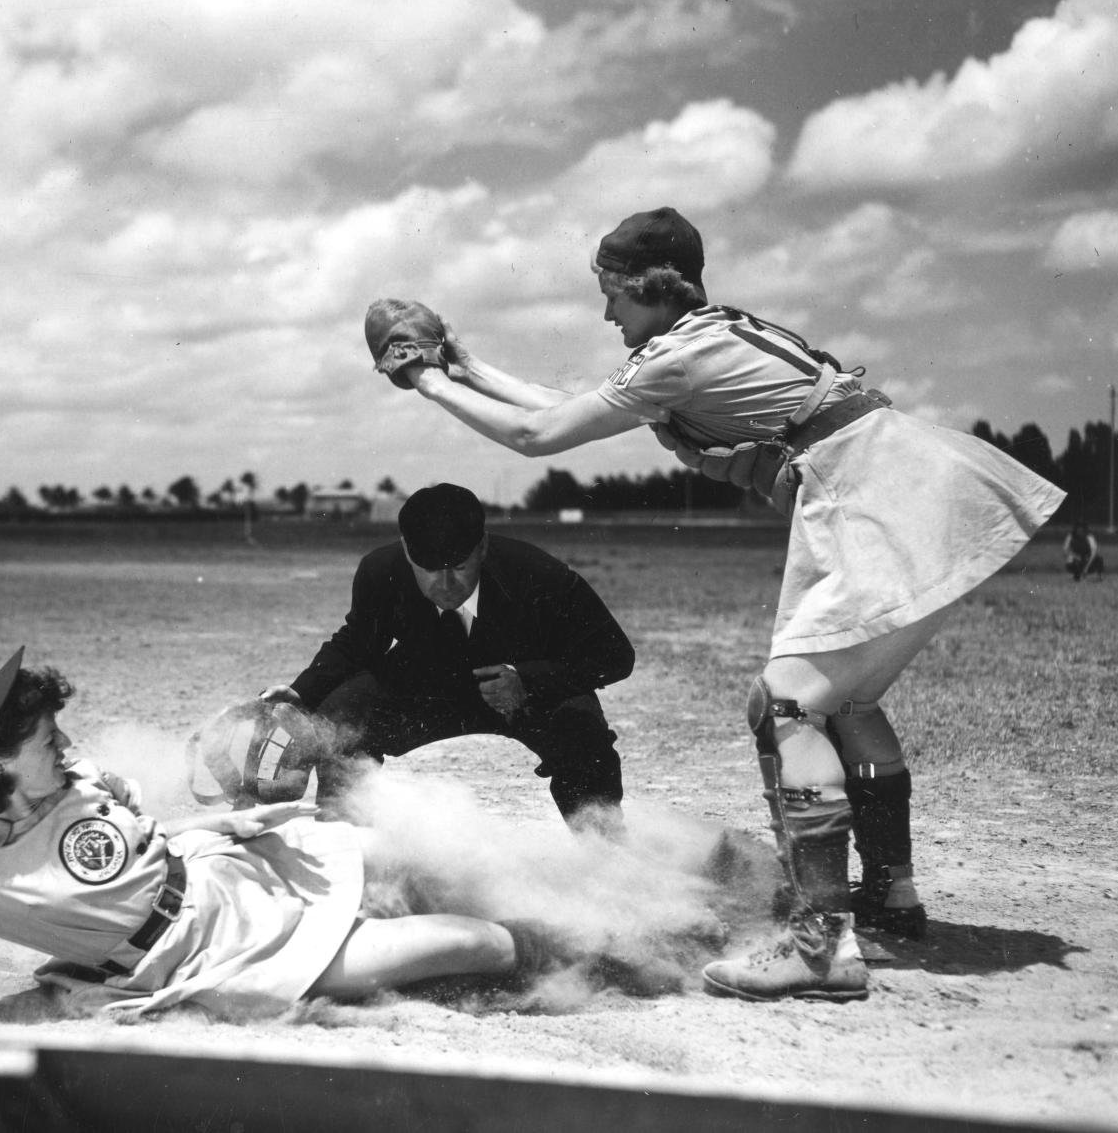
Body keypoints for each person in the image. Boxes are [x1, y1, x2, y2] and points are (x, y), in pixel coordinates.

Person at [372, 207, 1065, 1002]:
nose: (606, 315)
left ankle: (818, 945)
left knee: (784, 705)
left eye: (614, 298)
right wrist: (466, 363)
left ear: (653, 288)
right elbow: (560, 405)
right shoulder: (709, 335)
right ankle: (889, 894)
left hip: (871, 493)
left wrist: (425, 380)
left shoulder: (678, 355)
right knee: (843, 699)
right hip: (916, 478)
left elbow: (537, 434)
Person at [0, 646, 589, 1036]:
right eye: (37, 733)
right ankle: (581, 969)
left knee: (430, 863)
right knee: (474, 944)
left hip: (239, 867)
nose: (61, 739)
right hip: (214, 957)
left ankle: (609, 920)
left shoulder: (85, 778)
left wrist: (239, 816)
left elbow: (160, 843)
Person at [261, 481, 634, 828]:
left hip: (522, 690)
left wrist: (529, 679)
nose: (444, 586)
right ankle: (346, 844)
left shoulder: (538, 575)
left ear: (483, 546)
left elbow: (615, 654)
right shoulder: (381, 571)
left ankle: (604, 851)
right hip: (428, 684)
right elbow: (357, 642)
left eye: (459, 567)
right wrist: (301, 693)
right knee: (342, 713)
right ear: (407, 549)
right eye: (428, 570)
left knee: (581, 727)